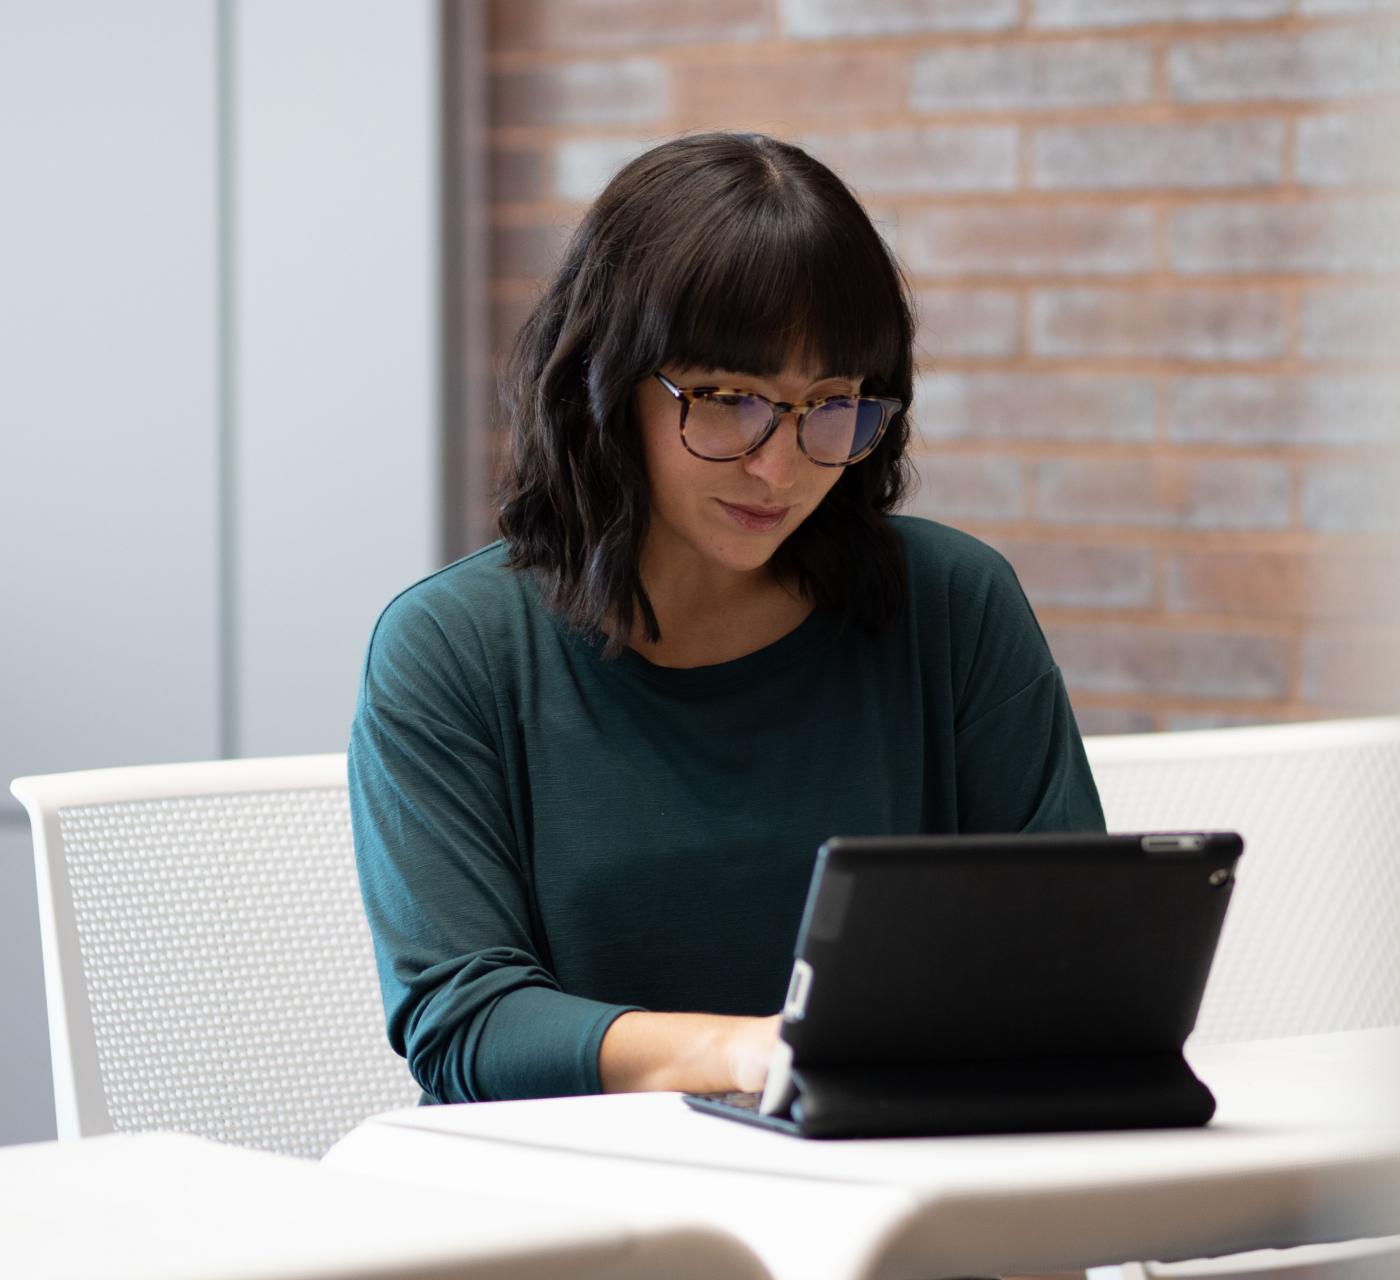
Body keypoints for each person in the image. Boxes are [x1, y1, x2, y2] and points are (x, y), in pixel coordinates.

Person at [348, 131, 1105, 1108]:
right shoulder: (452, 648)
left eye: (830, 404)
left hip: (891, 1187)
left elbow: (1069, 952)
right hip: (585, 1210)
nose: (780, 466)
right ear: (607, 382)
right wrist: (753, 1054)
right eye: (727, 400)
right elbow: (465, 1022)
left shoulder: (953, 605)